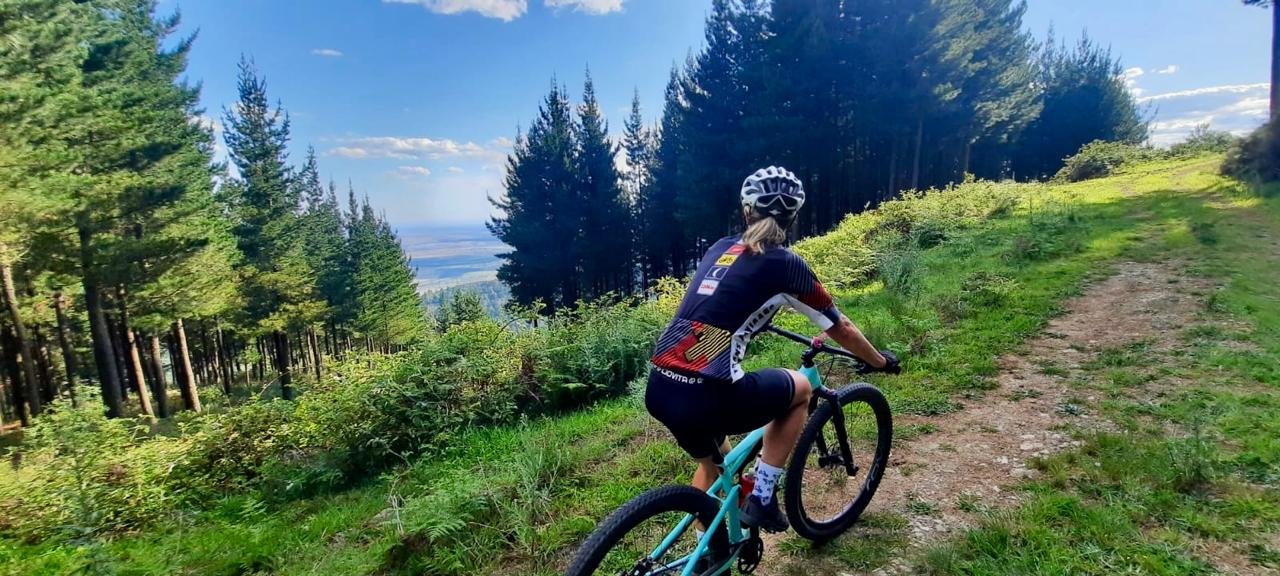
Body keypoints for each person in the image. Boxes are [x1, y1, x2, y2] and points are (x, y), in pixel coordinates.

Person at [646, 166, 900, 534]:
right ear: (792, 218)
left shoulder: (719, 248)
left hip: (661, 388)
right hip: (708, 393)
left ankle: (708, 550)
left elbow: (718, 307)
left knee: (718, 466)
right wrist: (878, 361)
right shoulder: (785, 264)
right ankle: (763, 496)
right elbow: (840, 327)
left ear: (746, 211)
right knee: (801, 389)